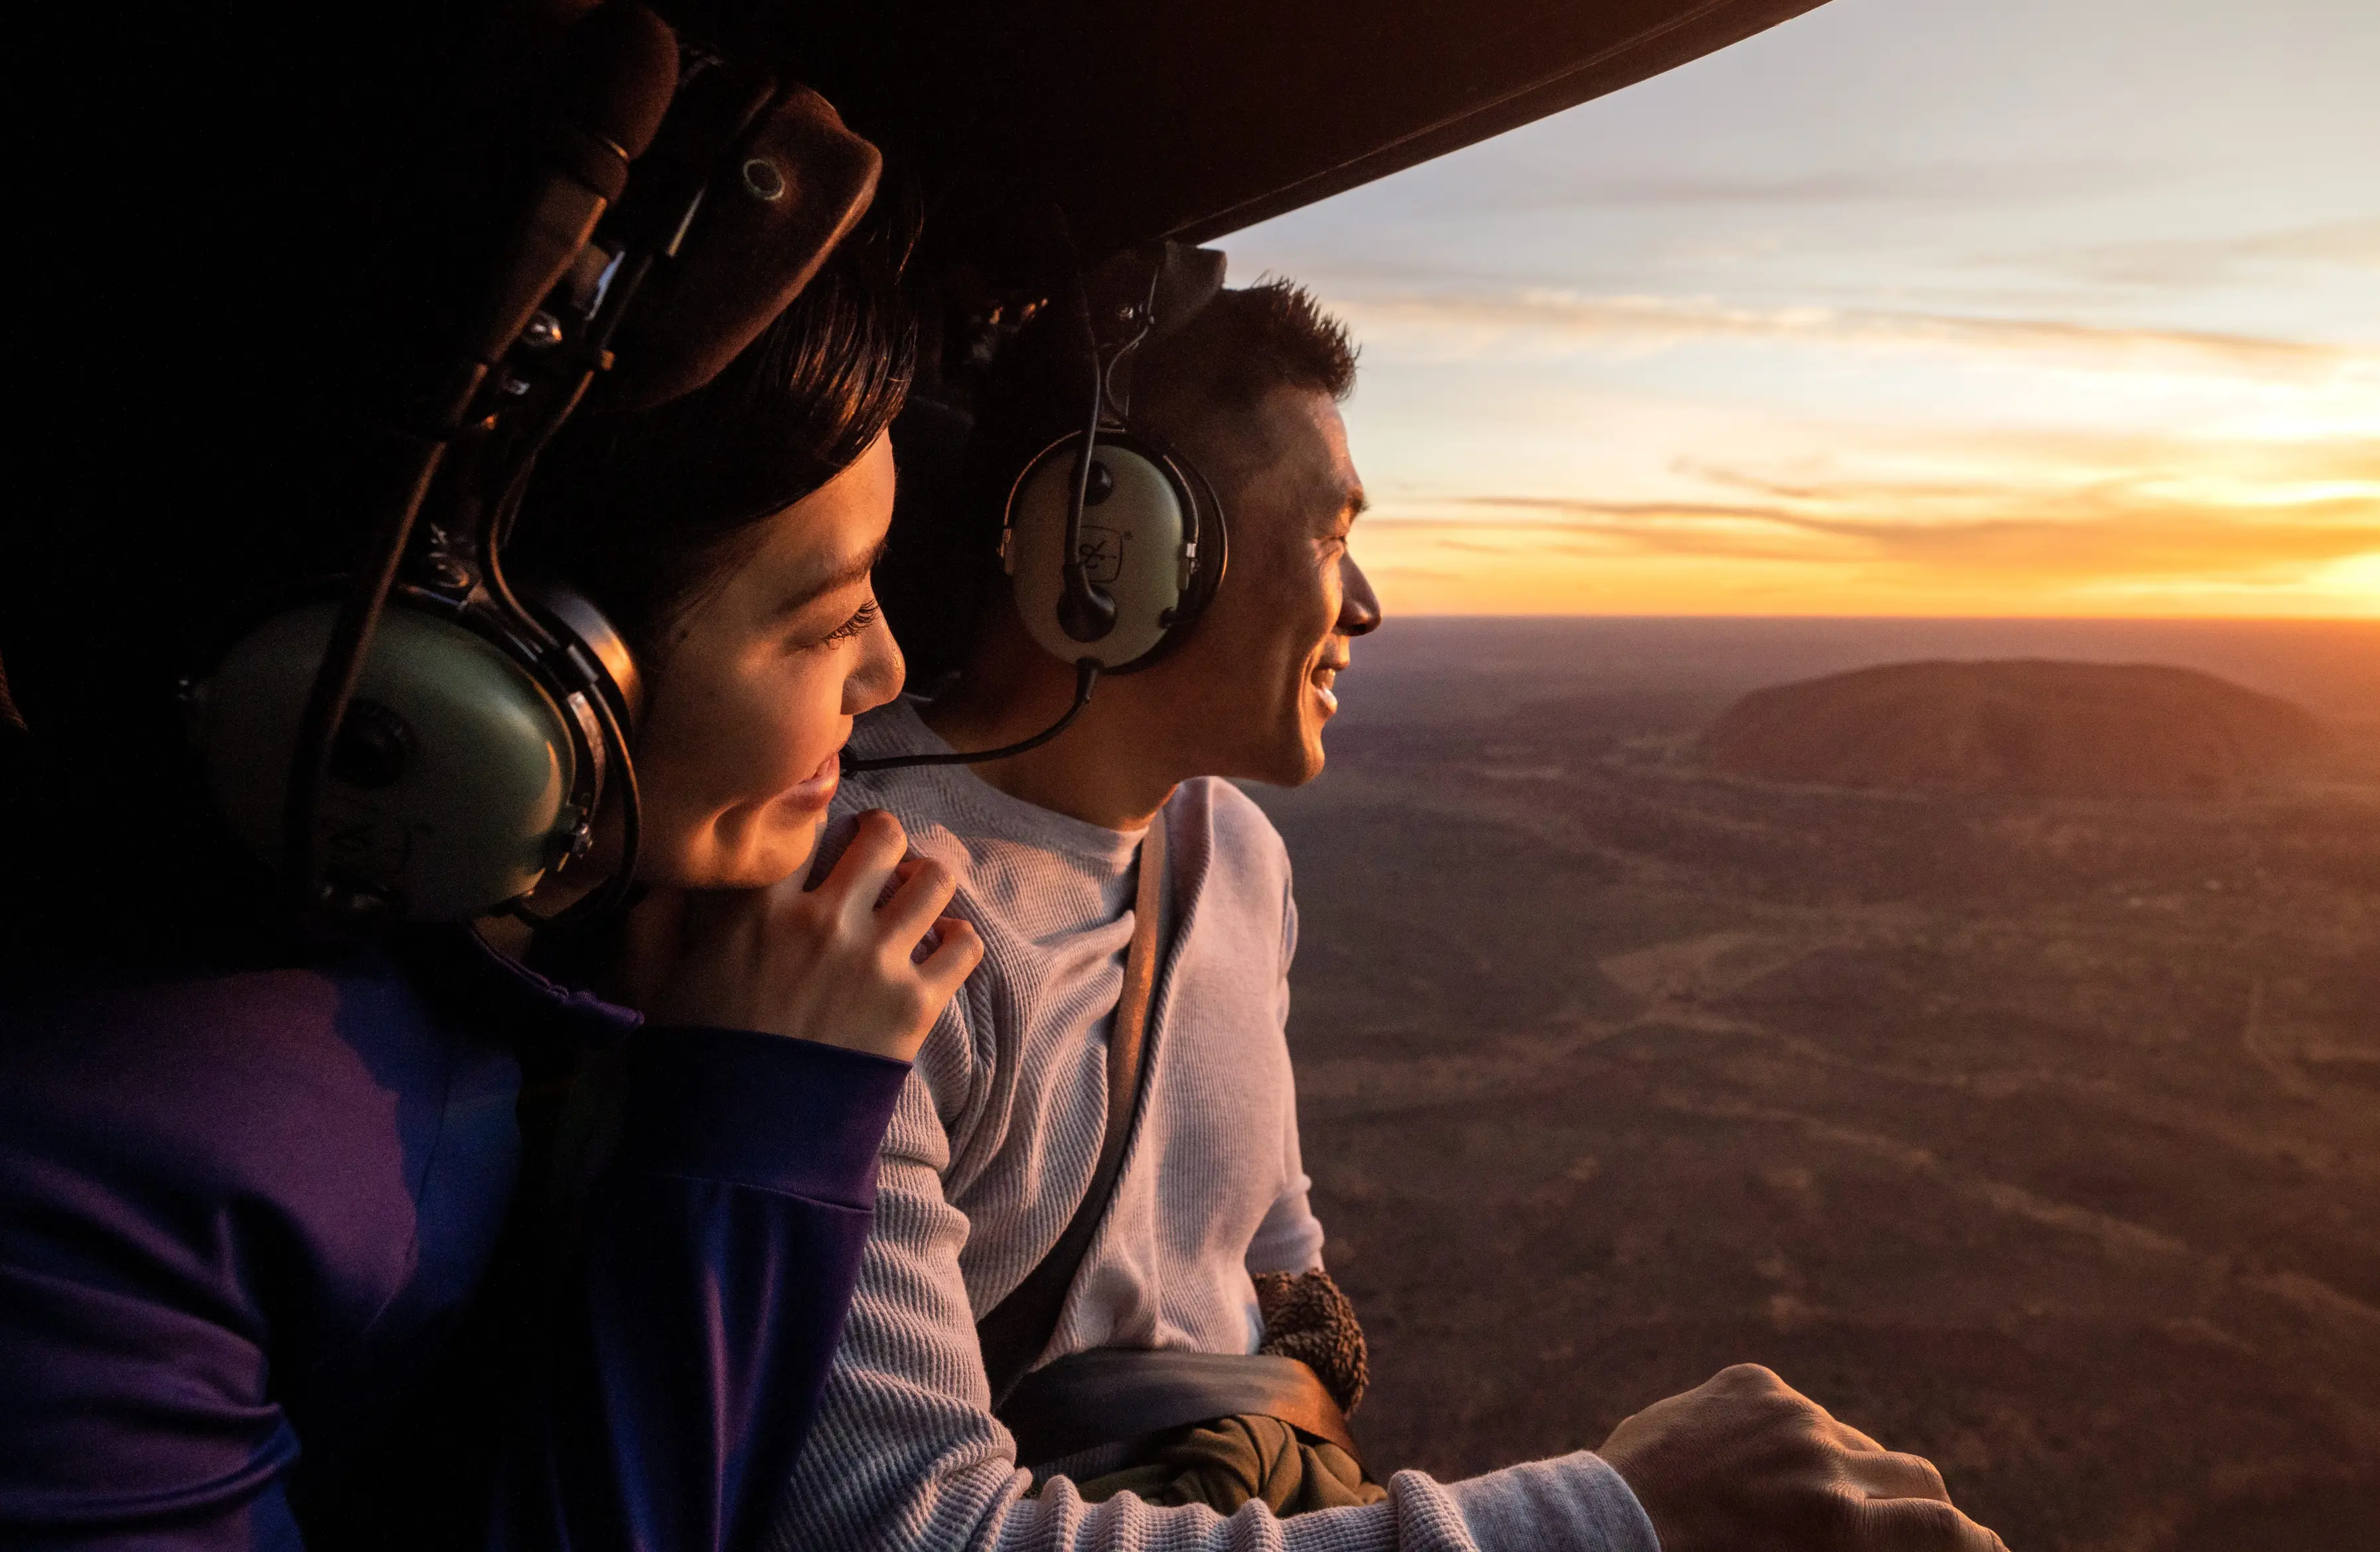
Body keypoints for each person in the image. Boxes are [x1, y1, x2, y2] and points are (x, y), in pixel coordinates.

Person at [770, 267, 2009, 1552]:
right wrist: (1615, 1513)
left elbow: (1274, 1264)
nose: (1366, 602)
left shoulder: (1234, 857)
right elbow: (903, 1524)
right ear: (1122, 545)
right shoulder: (861, 917)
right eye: (1328, 534)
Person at [0, 236, 984, 1548]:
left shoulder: (552, 946)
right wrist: (767, 1116)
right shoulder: (100, 1183)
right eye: (821, 620)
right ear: (525, 677)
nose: (884, 669)